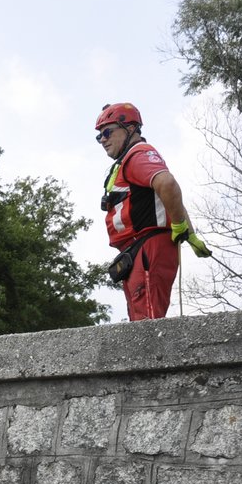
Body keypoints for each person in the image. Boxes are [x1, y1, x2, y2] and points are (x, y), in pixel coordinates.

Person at [94, 102, 211, 321]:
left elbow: (167, 184)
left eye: (107, 132)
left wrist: (179, 225)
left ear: (129, 128)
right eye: (99, 136)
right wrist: (190, 233)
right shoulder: (126, 160)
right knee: (140, 319)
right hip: (137, 250)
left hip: (149, 246)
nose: (103, 140)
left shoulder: (138, 155)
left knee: (147, 322)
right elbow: (166, 195)